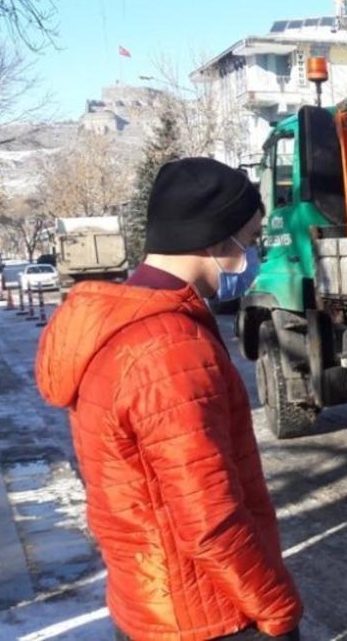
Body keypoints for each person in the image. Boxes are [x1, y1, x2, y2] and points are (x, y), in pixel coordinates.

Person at [36, 158, 302, 640]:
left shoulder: (123, 325)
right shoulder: (168, 347)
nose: (255, 252)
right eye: (253, 237)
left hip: (150, 600)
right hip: (205, 615)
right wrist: (277, 608)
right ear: (217, 240)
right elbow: (208, 517)